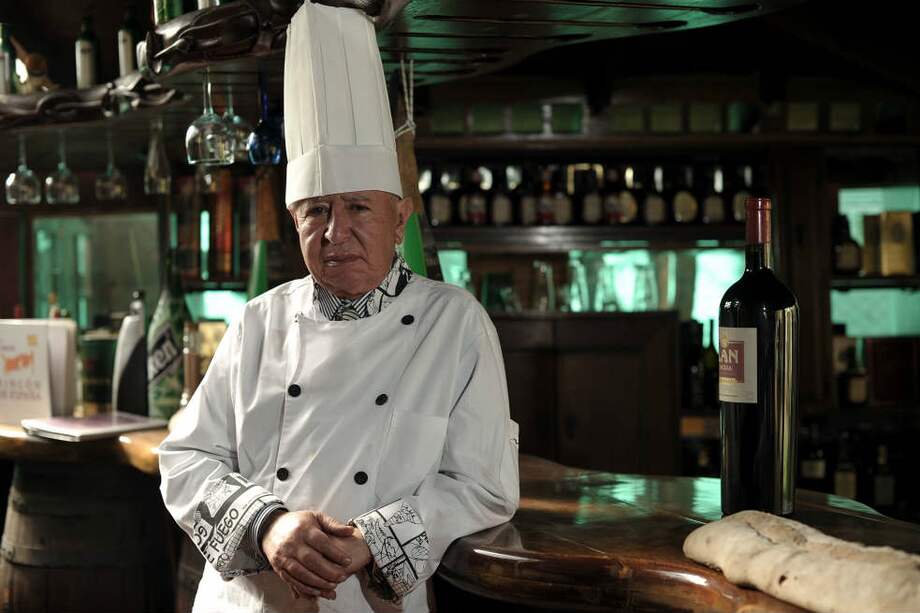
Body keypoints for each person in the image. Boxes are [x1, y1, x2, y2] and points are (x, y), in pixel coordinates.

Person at [158, 3, 520, 612]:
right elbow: (187, 457)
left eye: (358, 208)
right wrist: (269, 526)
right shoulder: (258, 321)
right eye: (316, 212)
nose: (335, 233)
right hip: (249, 601)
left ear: (400, 217)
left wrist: (371, 540)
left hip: (361, 600)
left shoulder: (453, 324)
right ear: (294, 222)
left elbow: (483, 485)